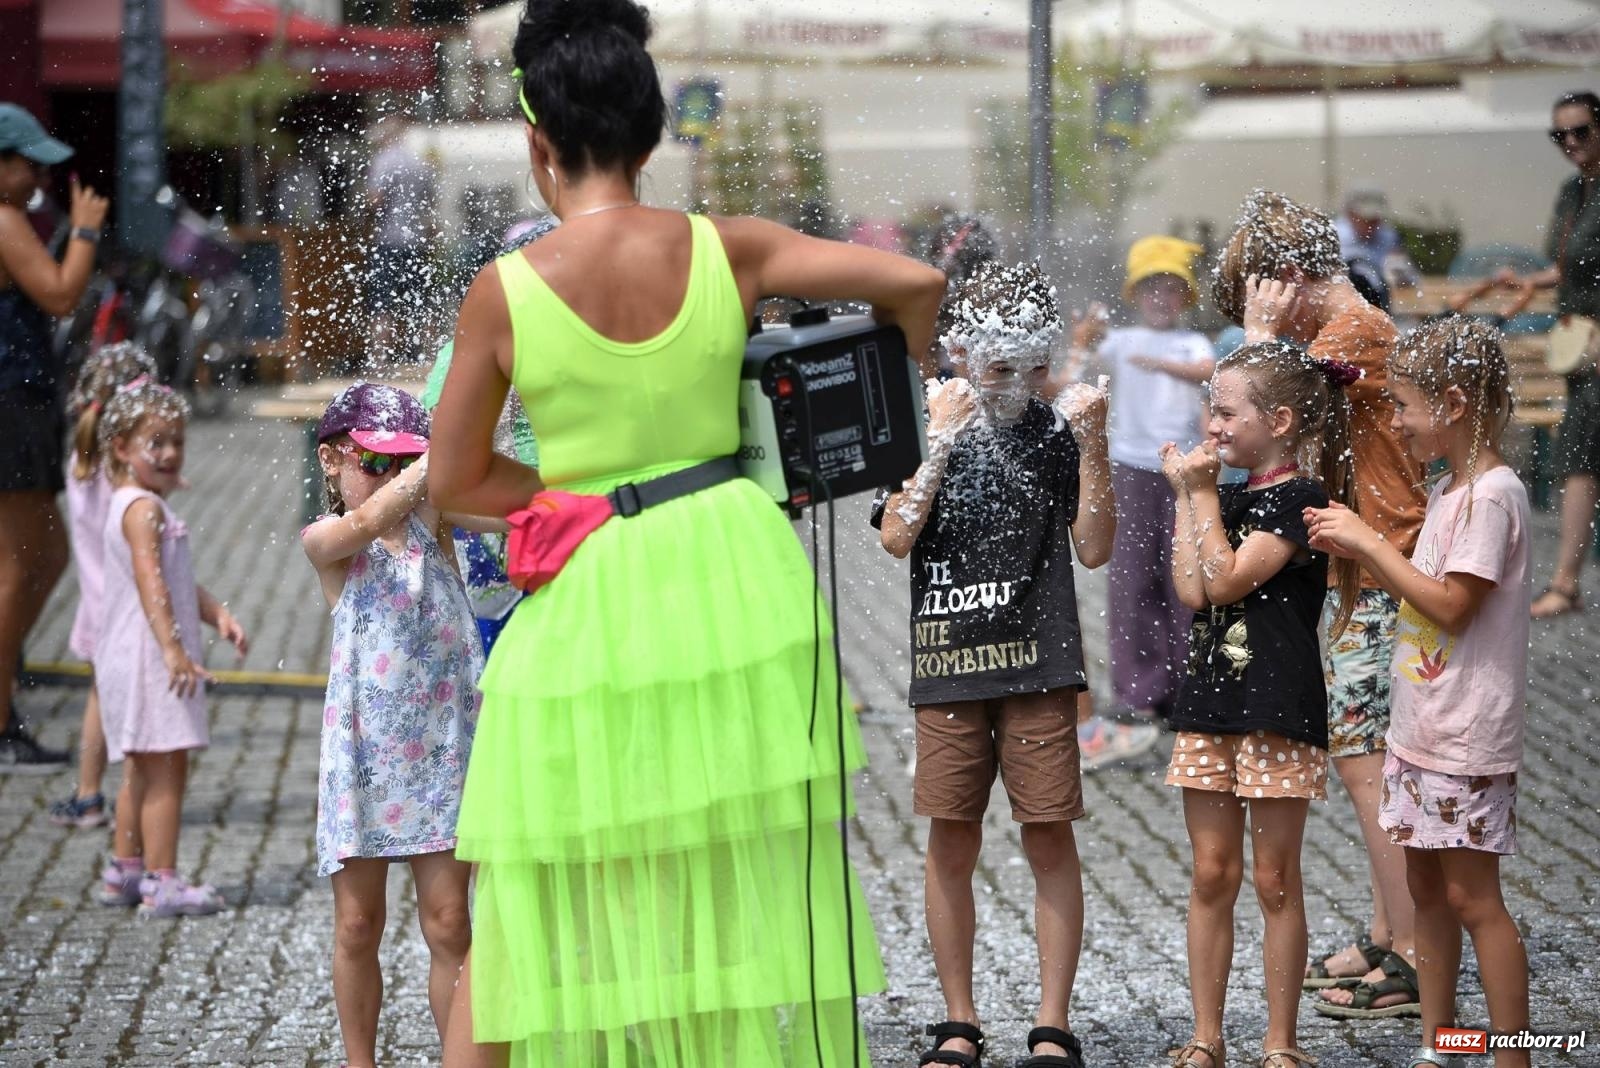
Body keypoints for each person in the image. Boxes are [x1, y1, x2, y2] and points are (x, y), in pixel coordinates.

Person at [427, 2, 947, 1064]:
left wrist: (568, 494)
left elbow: (456, 479)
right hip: (732, 566)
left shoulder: (506, 292)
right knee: (731, 859)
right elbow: (916, 285)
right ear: (653, 135)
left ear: (539, 143)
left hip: (588, 584)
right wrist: (875, 410)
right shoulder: (729, 247)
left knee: (540, 885)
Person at [874, 260, 1114, 1068]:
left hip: (1038, 663)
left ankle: (1053, 1024)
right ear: (962, 355)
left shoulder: (1054, 430)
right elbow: (897, 533)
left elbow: (1094, 547)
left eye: (1030, 368)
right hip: (948, 663)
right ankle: (958, 1021)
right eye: (997, 368)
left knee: (1048, 836)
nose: (1013, 385)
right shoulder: (923, 424)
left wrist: (1095, 446)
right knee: (951, 839)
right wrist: (938, 442)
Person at [1214, 189, 1428, 1011]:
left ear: (1294, 278)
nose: (1274, 321)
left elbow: (1259, 427)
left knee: (1369, 771)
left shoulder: (1348, 336)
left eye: (1268, 300)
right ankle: (1389, 929)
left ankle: (1411, 954)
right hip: (1359, 575)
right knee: (1368, 763)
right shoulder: (1349, 333)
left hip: (1377, 578)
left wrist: (1263, 342)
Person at [1305, 315, 1531, 1068]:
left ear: (1457, 403)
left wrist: (1369, 542)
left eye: (1404, 406)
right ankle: (1443, 1041)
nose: (1395, 422)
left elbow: (1450, 606)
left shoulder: (1492, 496)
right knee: (1428, 893)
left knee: (1475, 902)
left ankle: (1515, 1054)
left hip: (1466, 737)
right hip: (1421, 731)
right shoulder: (1448, 489)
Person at [1161, 340, 1361, 1068]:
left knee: (1275, 879)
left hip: (1276, 706)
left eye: (1225, 412)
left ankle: (1280, 1042)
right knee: (1211, 872)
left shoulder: (1298, 497)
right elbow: (1192, 588)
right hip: (1209, 703)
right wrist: (1193, 495)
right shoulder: (1227, 494)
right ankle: (1206, 1035)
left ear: (1277, 420)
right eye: (1210, 411)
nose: (1212, 425)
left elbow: (1233, 578)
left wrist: (1203, 494)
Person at [301, 383, 483, 1067]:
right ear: (331, 459)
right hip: (363, 763)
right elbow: (371, 517)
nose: (394, 478)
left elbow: (503, 507)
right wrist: (429, 463)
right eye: (376, 462)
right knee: (356, 925)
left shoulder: (436, 524)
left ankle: (460, 1056)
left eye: (406, 462)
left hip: (439, 756)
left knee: (450, 923)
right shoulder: (330, 543)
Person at [93, 379, 249, 917]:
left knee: (139, 768)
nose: (169, 453)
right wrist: (174, 650)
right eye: (154, 443)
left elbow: (174, 580)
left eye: (176, 441)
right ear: (120, 448)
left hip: (125, 656)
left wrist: (216, 613)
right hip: (149, 660)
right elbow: (150, 581)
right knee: (167, 771)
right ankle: (163, 881)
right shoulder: (146, 512)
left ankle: (125, 871)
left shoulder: (130, 503)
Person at [1069, 235, 1212, 769]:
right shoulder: (1121, 340)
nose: (1161, 298)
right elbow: (1080, 365)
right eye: (1152, 288)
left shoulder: (1191, 344)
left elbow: (1208, 373)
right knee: (1131, 580)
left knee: (1183, 580)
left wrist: (1157, 363)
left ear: (1185, 298)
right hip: (1128, 468)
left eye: (1172, 290)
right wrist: (1085, 335)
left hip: (1179, 469)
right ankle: (1137, 692)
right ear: (1135, 294)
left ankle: (1186, 688)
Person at [0, 103, 108, 771]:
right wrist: (87, 232)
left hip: (22, 399)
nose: (40, 176)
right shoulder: (6, 221)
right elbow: (62, 293)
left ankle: (6, 700)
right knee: (23, 563)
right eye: (27, 164)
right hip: (12, 401)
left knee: (43, 559)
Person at [1496, 90, 1600, 619]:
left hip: (1593, 345)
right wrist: (1531, 280)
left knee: (1581, 458)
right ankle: (1565, 582)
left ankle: (1565, 582)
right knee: (1579, 458)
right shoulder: (1572, 191)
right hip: (1581, 350)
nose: (1571, 143)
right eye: (1560, 135)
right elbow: (1574, 266)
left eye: (1582, 131)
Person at [49, 342, 156, 826]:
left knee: (102, 695)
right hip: (126, 605)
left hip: (97, 605)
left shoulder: (81, 462)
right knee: (130, 701)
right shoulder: (124, 477)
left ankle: (90, 793)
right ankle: (120, 798)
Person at [365, 113, 437, 364]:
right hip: (416, 240)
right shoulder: (419, 163)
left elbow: (376, 200)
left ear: (386, 136)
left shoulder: (384, 161)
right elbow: (429, 206)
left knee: (382, 303)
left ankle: (380, 359)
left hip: (389, 239)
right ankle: (428, 357)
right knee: (421, 302)